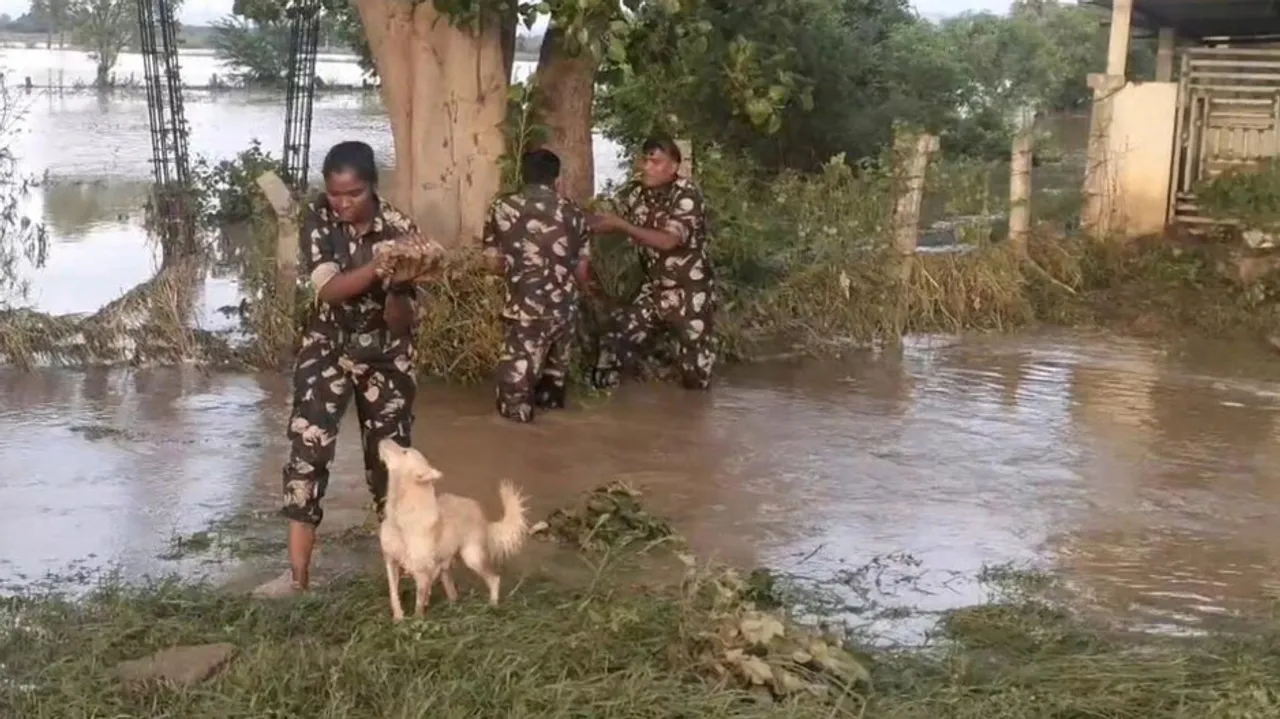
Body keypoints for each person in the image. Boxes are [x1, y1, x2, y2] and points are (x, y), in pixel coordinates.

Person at [256, 140, 442, 597]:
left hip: (386, 355)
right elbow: (330, 290)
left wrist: (399, 287)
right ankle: (297, 579)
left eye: (353, 194)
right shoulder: (319, 218)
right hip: (328, 348)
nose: (342, 203)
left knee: (393, 469)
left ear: (372, 189)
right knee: (307, 457)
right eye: (335, 193)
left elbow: (400, 322)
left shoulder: (401, 229)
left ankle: (404, 579)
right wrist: (381, 267)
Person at [588, 135, 715, 390]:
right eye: (645, 161)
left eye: (655, 162)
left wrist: (622, 225)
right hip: (654, 290)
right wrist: (557, 216)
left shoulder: (687, 195)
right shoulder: (636, 193)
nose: (647, 167)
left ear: (673, 167)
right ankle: (606, 407)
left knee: (696, 380)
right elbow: (604, 218)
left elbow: (668, 241)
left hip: (689, 295)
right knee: (615, 338)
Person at [481, 148, 592, 423]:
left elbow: (492, 263)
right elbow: (582, 270)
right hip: (563, 314)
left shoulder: (502, 207)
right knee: (552, 396)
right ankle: (551, 455)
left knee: (513, 407)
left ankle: (517, 456)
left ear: (523, 175)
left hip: (524, 314)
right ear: (556, 178)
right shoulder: (574, 212)